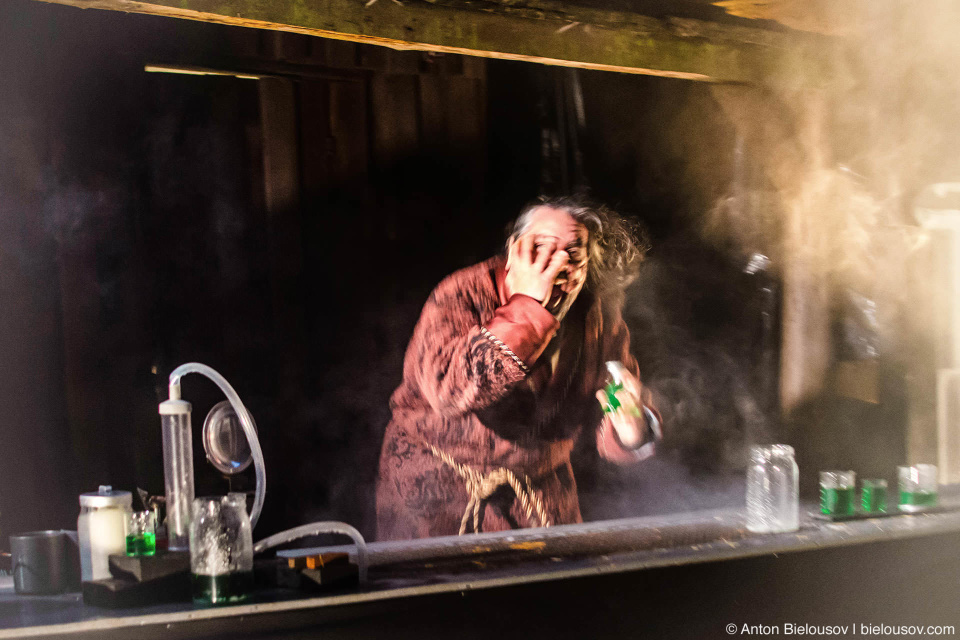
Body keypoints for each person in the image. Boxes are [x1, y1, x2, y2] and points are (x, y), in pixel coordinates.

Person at [376, 196, 661, 540]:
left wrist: (630, 432)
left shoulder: (596, 317)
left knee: (553, 589)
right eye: (542, 248)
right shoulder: (460, 295)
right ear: (513, 253)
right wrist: (527, 309)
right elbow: (448, 392)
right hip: (439, 492)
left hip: (538, 494)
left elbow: (617, 394)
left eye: (574, 252)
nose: (559, 264)